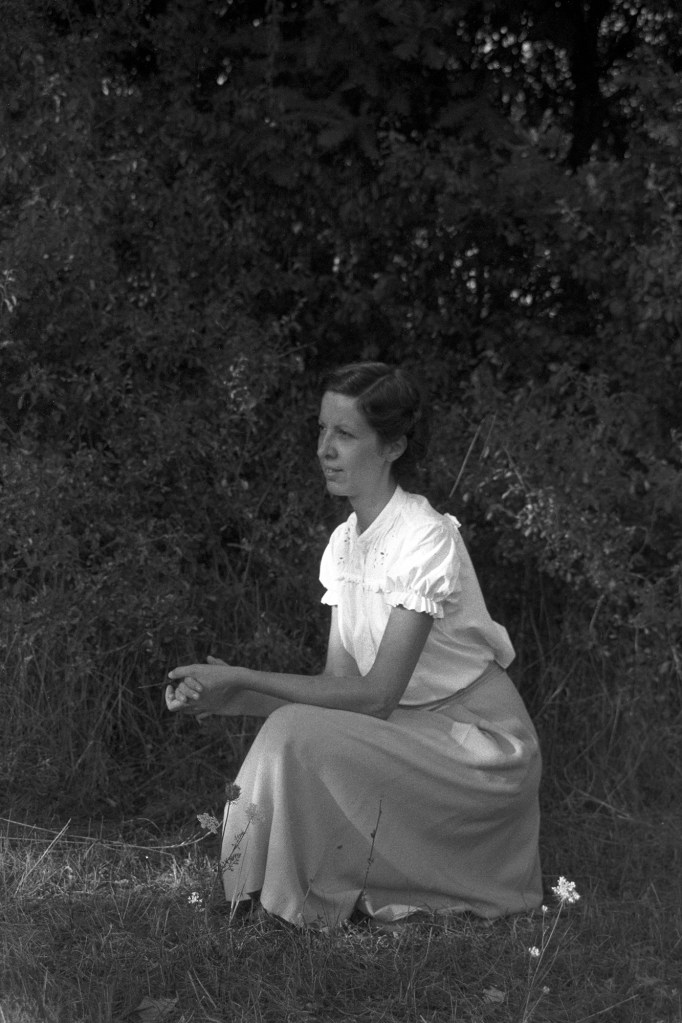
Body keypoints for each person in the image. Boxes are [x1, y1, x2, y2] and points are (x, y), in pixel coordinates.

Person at [165, 362, 542, 928]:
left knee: (294, 729)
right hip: (411, 732)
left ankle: (274, 899)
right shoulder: (345, 543)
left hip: (480, 749)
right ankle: (255, 894)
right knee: (293, 727)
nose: (325, 449)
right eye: (321, 430)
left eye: (344, 434)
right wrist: (229, 699)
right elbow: (338, 691)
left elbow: (376, 697)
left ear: (393, 446)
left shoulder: (425, 536)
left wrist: (242, 675)